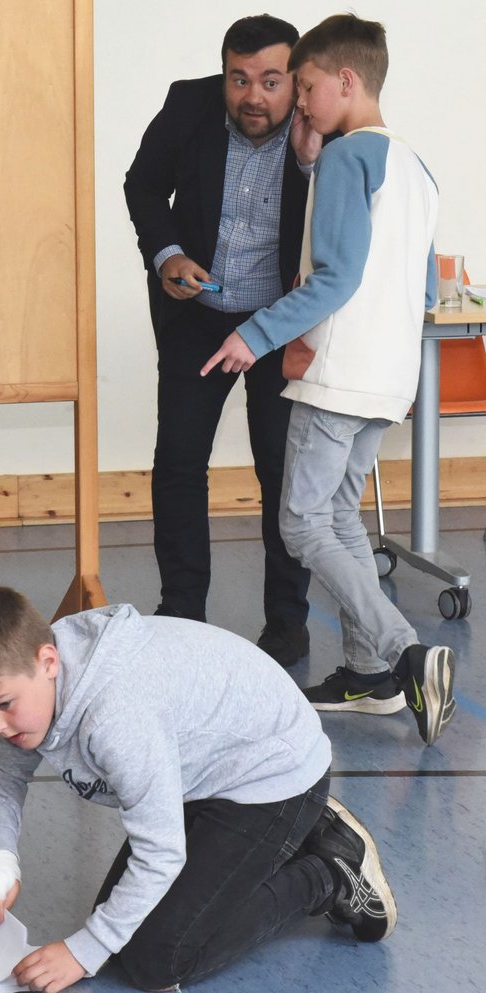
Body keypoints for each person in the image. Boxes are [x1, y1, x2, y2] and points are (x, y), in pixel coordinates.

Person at [0, 585, 396, 993]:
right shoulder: (39, 678)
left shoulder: (115, 718)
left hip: (274, 778)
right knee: (122, 934)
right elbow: (4, 773)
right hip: (204, 773)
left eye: (3, 705)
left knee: (158, 960)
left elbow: (161, 852)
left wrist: (84, 950)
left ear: (47, 661)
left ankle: (329, 872)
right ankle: (286, 844)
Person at [201, 15, 455, 747]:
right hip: (389, 381)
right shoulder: (415, 168)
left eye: (307, 87)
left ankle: (405, 651)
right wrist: (311, 167)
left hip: (336, 376)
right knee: (340, 519)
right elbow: (422, 286)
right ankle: (367, 674)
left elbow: (337, 276)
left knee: (302, 523)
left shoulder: (348, 159)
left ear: (346, 81)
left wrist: (255, 334)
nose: (301, 105)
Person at [124, 14, 323, 666]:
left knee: (281, 471)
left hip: (279, 325)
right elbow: (142, 184)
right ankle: (182, 612)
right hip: (198, 317)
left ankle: (287, 622)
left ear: (295, 80)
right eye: (239, 80)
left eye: (270, 81)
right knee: (179, 465)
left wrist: (312, 161)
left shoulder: (321, 128)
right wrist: (168, 254)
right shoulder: (188, 106)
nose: (252, 96)